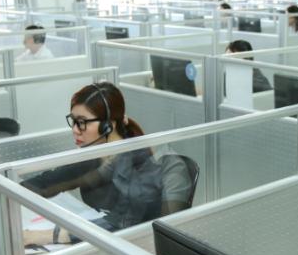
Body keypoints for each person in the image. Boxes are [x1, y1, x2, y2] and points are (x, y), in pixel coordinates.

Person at [21, 82, 193, 244]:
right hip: (106, 245)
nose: (75, 130)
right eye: (73, 121)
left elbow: (123, 223)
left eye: (82, 122)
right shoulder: (94, 157)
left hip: (141, 248)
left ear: (108, 126)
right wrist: (11, 192)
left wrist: (50, 235)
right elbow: (48, 182)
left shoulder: (144, 165)